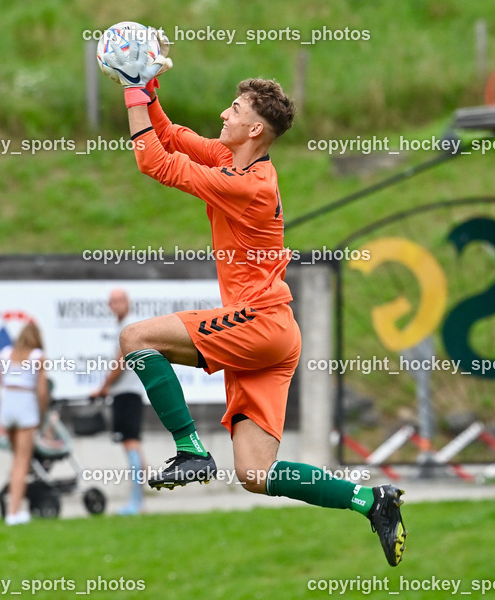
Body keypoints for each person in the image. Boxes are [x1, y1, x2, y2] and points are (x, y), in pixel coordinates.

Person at [100, 29, 407, 565]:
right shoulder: (230, 158)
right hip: (273, 331)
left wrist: (130, 90)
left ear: (255, 128)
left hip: (260, 322)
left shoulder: (252, 184)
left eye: (234, 108)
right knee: (256, 474)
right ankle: (369, 499)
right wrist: (147, 87)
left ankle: (190, 450)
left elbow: (155, 162)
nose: (224, 113)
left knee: (135, 338)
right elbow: (170, 137)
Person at [91, 288, 147, 515]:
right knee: (131, 443)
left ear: (128, 303)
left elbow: (120, 361)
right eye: (111, 301)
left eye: (119, 300)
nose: (115, 305)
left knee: (131, 443)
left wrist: (103, 387)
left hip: (127, 392)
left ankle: (137, 501)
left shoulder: (128, 326)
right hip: (125, 393)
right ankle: (138, 499)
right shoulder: (122, 326)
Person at [0, 321, 49, 526]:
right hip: (25, 403)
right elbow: (42, 392)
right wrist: (43, 414)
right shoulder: (37, 357)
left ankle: (12, 509)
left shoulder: (5, 354)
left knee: (16, 460)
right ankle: (13, 513)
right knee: (22, 462)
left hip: (8, 402)